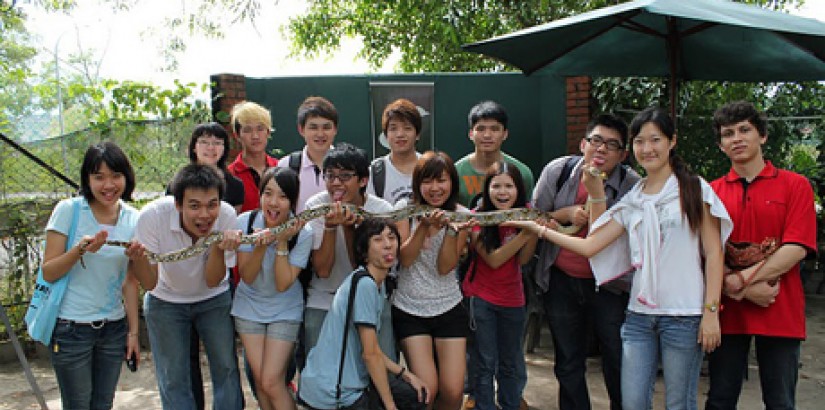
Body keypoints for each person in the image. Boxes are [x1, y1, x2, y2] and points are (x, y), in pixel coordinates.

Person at [506, 107, 732, 410]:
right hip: (639, 316)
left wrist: (711, 312)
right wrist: (540, 228)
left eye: (655, 140)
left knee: (679, 403)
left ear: (671, 142)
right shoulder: (634, 197)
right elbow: (592, 245)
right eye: (641, 141)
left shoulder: (693, 189)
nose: (648, 148)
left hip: (684, 315)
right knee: (633, 402)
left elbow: (714, 253)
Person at [705, 101, 817, 410]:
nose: (737, 138)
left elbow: (796, 247)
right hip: (727, 316)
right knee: (719, 400)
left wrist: (738, 280)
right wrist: (736, 289)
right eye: (728, 133)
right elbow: (706, 252)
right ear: (720, 145)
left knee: (780, 402)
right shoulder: (710, 193)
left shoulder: (796, 185)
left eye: (745, 130)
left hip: (780, 311)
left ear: (762, 136)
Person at [531, 113, 639, 410]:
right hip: (562, 280)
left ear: (623, 155)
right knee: (568, 360)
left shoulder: (633, 186)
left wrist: (594, 203)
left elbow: (620, 239)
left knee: (616, 356)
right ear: (583, 144)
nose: (601, 149)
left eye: (612, 145)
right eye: (596, 141)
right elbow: (534, 217)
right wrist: (564, 215)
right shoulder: (559, 171)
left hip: (610, 285)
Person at [126, 164, 243, 410]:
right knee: (173, 375)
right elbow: (149, 283)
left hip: (214, 297)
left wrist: (218, 247)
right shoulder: (152, 217)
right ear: (178, 204)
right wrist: (138, 260)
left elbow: (213, 279)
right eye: (194, 206)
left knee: (226, 368)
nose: (204, 215)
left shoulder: (227, 217)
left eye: (212, 204)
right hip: (165, 300)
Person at [41, 141, 141, 410]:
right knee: (77, 404)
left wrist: (133, 333)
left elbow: (131, 282)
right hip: (71, 329)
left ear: (126, 178)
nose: (108, 185)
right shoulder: (69, 210)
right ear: (87, 179)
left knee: (103, 404)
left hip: (113, 328)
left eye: (115, 176)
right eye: (99, 177)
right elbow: (48, 271)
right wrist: (80, 250)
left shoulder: (133, 218)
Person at [299, 218, 429, 410]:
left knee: (413, 394)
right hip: (335, 392)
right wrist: (390, 405)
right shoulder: (365, 285)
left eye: (392, 238)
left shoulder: (375, 282)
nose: (387, 245)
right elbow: (369, 355)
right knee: (407, 400)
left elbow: (372, 349)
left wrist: (404, 373)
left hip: (340, 384)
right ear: (364, 252)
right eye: (378, 239)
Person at [393, 151, 476, 410]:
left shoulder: (461, 215)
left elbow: (444, 267)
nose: (435, 188)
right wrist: (424, 228)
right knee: (427, 390)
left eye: (441, 180)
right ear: (418, 184)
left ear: (452, 182)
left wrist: (451, 232)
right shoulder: (404, 211)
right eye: (427, 181)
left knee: (453, 391)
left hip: (449, 306)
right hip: (409, 308)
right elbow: (404, 259)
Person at [303, 143, 396, 360]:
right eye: (330, 176)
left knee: (382, 364)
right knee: (319, 367)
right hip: (324, 298)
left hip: (370, 298)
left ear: (363, 180)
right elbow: (323, 270)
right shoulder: (316, 206)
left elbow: (364, 270)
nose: (336, 183)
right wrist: (330, 227)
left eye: (345, 176)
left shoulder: (381, 211)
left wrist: (350, 228)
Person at [232, 167, 312, 410]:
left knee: (271, 380)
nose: (274, 202)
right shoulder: (244, 223)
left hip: (285, 309)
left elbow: (282, 282)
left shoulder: (302, 232)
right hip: (248, 307)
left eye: (283, 196)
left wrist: (281, 241)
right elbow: (246, 276)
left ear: (293, 201)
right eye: (268, 193)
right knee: (260, 382)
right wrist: (258, 246)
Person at [462, 162, 538, 410]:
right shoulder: (477, 218)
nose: (502, 192)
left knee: (511, 362)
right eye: (496, 186)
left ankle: (510, 404)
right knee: (485, 361)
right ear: (487, 188)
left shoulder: (526, 213)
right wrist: (526, 234)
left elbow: (523, 260)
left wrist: (531, 232)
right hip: (481, 298)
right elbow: (493, 260)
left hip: (513, 299)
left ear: (519, 189)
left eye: (509, 186)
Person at [454, 100, 534, 208]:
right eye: (481, 129)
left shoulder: (522, 173)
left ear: (505, 134)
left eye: (495, 129)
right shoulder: (456, 172)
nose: (487, 135)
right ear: (471, 134)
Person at [279, 96, 339, 212]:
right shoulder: (286, 166)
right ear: (301, 130)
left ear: (335, 129)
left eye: (326, 127)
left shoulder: (349, 167)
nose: (320, 134)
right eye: (313, 127)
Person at [367, 98, 422, 205]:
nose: (400, 134)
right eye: (393, 128)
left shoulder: (429, 166)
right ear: (386, 135)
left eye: (407, 128)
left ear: (418, 134)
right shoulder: (375, 172)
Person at [228, 101, 279, 213]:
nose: (255, 136)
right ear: (237, 135)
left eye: (260, 129)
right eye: (247, 130)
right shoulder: (229, 176)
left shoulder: (281, 167)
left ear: (268, 132)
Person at [185, 122, 245, 213]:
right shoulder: (180, 182)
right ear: (194, 147)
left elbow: (233, 221)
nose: (211, 148)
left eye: (217, 143)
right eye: (204, 142)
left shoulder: (235, 185)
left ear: (224, 148)